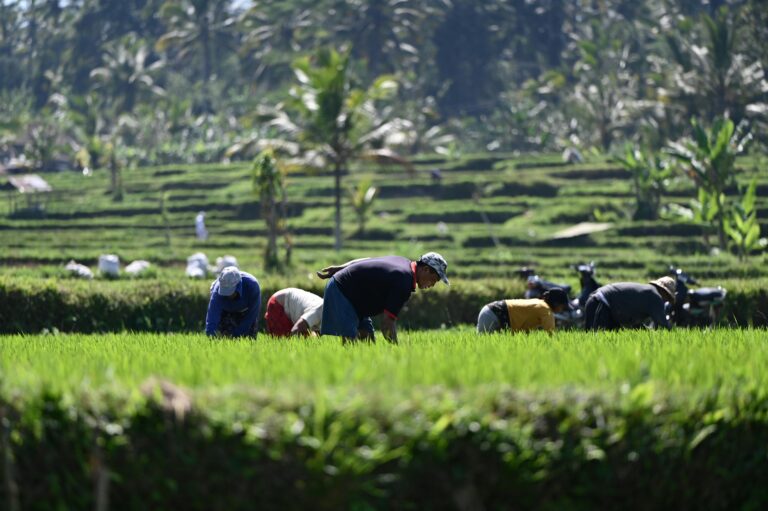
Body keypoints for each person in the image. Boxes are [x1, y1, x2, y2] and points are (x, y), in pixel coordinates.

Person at [316, 252, 449, 343]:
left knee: (367, 341)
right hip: (342, 291)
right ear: (426, 269)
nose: (432, 285)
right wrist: (396, 352)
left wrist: (341, 267)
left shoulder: (403, 262)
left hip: (356, 298)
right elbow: (387, 324)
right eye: (434, 280)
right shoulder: (403, 281)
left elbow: (367, 260)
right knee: (351, 343)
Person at [584, 277, 676, 331]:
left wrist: (648, 333)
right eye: (667, 297)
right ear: (663, 291)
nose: (665, 300)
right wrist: (674, 338)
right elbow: (664, 325)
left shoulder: (647, 293)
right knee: (595, 339)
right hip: (600, 302)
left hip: (604, 306)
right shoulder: (654, 296)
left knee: (611, 341)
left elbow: (636, 325)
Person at [476, 288, 571, 334]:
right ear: (555, 303)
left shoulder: (540, 304)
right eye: (562, 307)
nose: (562, 310)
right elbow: (551, 335)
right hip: (494, 314)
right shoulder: (546, 310)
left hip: (490, 312)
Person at [205, 267, 261, 337]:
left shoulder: (252, 286)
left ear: (238, 285)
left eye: (229, 291)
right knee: (224, 337)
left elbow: (252, 315)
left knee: (248, 337)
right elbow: (212, 317)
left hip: (246, 311)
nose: (227, 295)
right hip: (226, 311)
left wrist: (237, 335)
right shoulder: (216, 291)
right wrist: (211, 336)